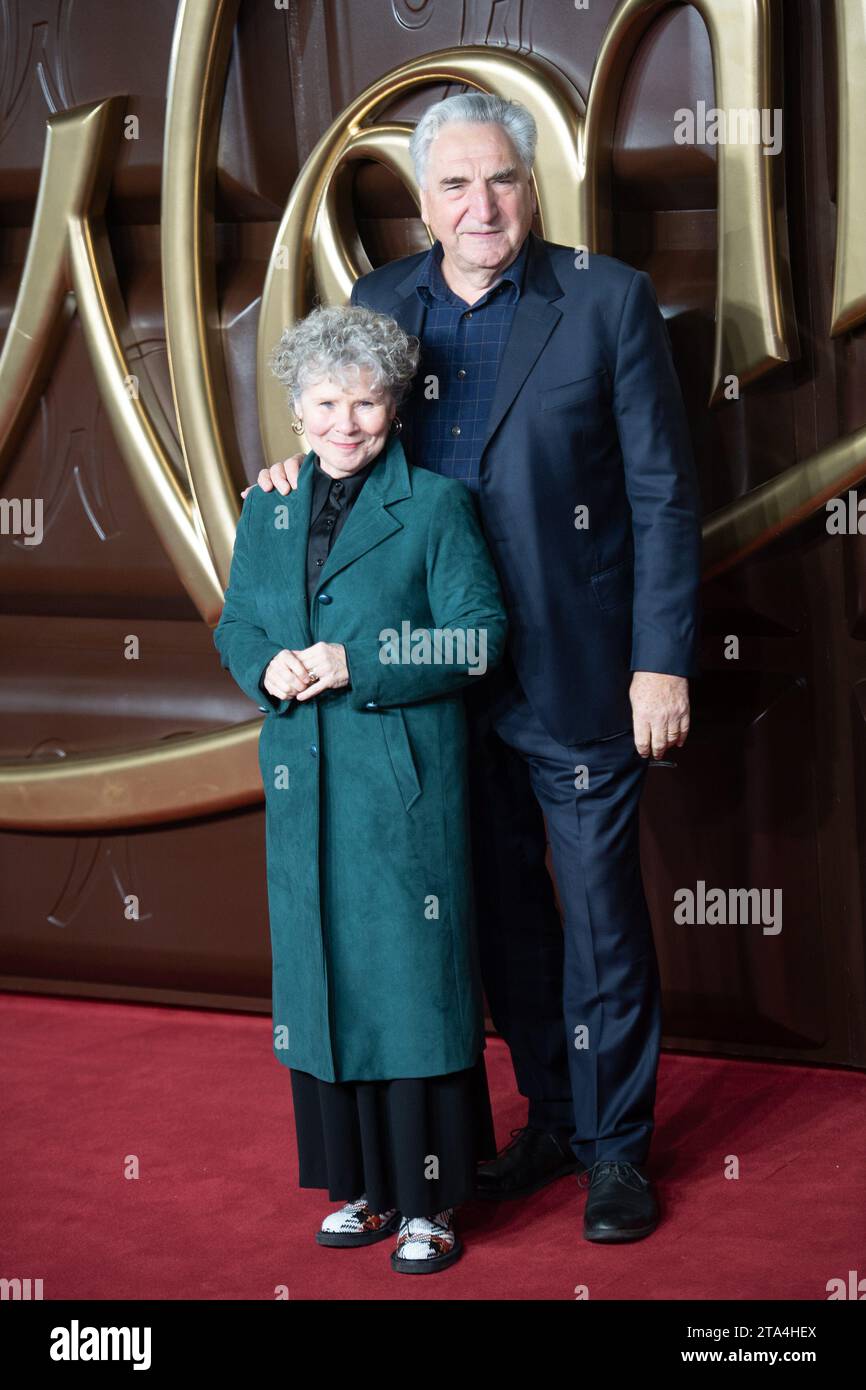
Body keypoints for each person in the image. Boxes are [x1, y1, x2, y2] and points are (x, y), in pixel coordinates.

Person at [250, 93, 703, 1243]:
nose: (480, 204)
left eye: (499, 179)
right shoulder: (380, 302)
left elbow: (659, 493)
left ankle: (613, 1152)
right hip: (433, 680)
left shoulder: (605, 300)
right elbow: (346, 444)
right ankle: (551, 1116)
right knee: (493, 918)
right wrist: (285, 476)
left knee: (598, 918)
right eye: (454, 185)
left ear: (530, 184)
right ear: (421, 201)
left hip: (575, 672)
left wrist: (660, 662)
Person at [214, 304, 507, 1273]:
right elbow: (235, 626)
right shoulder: (270, 504)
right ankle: (367, 1191)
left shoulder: (434, 505)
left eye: (366, 402)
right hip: (303, 786)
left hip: (399, 792)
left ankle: (431, 1205)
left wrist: (353, 659)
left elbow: (476, 635)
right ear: (296, 411)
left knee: (412, 993)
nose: (347, 421)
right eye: (327, 402)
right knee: (328, 988)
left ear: (393, 407)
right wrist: (269, 668)